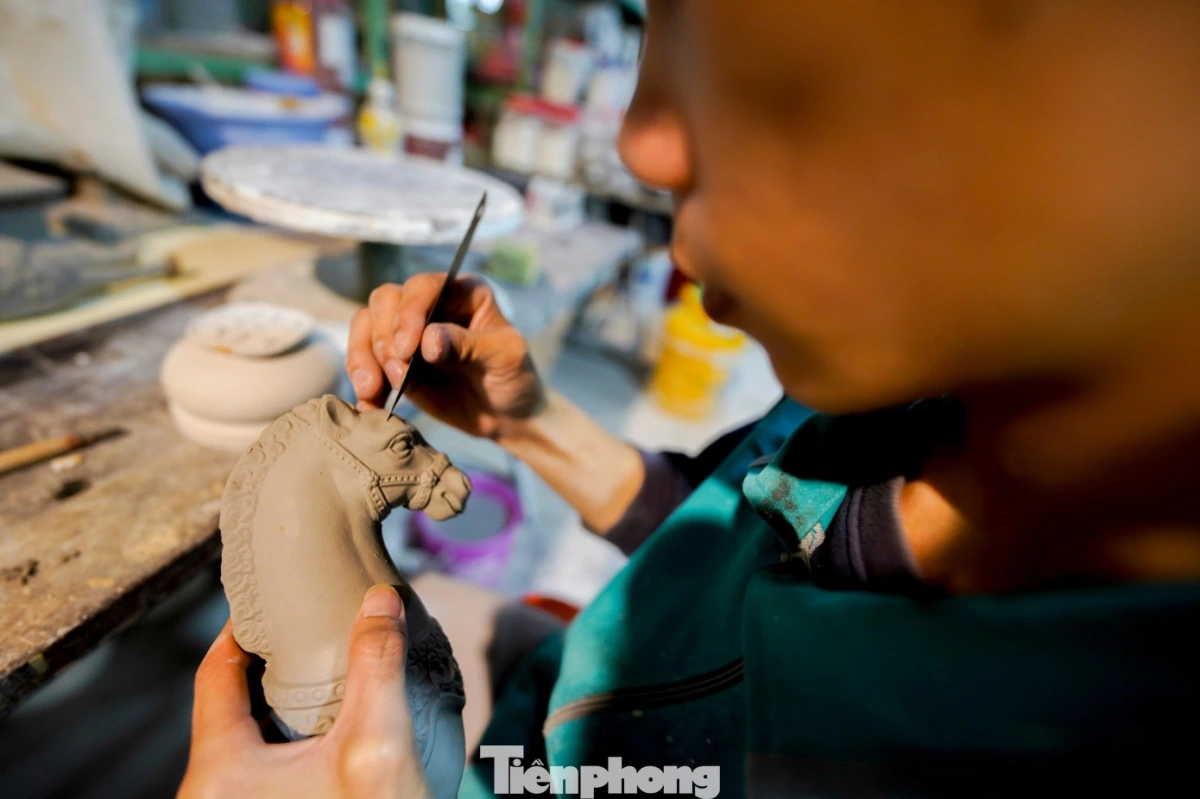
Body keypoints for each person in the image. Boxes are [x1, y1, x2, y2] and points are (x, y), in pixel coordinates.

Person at [179, 1, 1200, 796]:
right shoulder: (899, 411)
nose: (642, 143)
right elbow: (718, 541)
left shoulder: (1023, 742)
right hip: (559, 717)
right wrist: (528, 423)